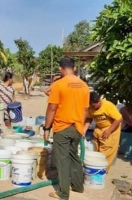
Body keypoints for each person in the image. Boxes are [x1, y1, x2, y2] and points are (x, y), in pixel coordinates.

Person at [43, 57, 89, 200]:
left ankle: (63, 193)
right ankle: (78, 186)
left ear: (60, 69)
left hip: (62, 127)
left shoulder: (59, 85)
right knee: (74, 156)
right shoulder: (84, 86)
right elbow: (86, 109)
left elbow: (52, 108)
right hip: (77, 127)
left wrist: (46, 128)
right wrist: (81, 125)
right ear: (74, 68)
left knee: (62, 159)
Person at [83, 91, 122, 173]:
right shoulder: (91, 107)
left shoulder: (108, 106)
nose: (92, 108)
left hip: (111, 128)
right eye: (91, 106)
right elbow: (89, 118)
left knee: (105, 153)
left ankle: (102, 171)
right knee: (97, 151)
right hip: (99, 128)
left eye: (94, 106)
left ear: (98, 101)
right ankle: (96, 167)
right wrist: (84, 130)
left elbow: (118, 119)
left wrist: (109, 131)